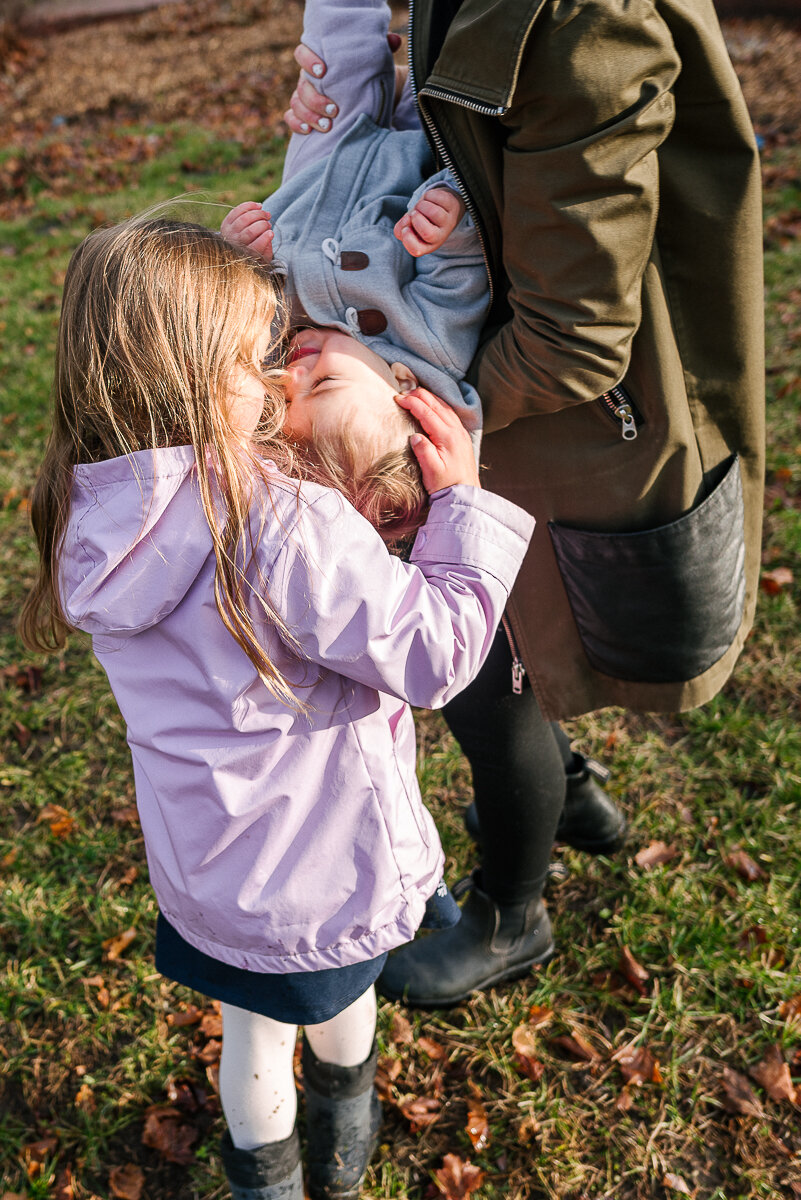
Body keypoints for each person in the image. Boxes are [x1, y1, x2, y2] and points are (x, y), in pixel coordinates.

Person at [19, 213, 538, 1198]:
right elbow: (431, 657)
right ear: (199, 372)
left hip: (212, 866)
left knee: (253, 1040)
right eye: (256, 352)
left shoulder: (95, 502)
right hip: (320, 866)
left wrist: (214, 274)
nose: (278, 374)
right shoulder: (281, 521)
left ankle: (277, 1175)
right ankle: (345, 1106)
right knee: (330, 1003)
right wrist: (461, 504)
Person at [287, 0, 766, 1006]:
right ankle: (571, 794)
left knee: (483, 684)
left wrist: (398, 412)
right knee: (511, 666)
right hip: (475, 375)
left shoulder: (580, 19)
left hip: (529, 406)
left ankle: (513, 912)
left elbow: (574, 337)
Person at [220, 0, 489, 550]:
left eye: (287, 401)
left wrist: (233, 257)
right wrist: (445, 221)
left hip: (322, 160)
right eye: (324, 383)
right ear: (404, 387)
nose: (291, 377)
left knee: (336, 51)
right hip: (417, 155)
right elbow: (460, 271)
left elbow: (226, 314)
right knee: (449, 56)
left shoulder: (276, 355)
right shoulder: (432, 347)